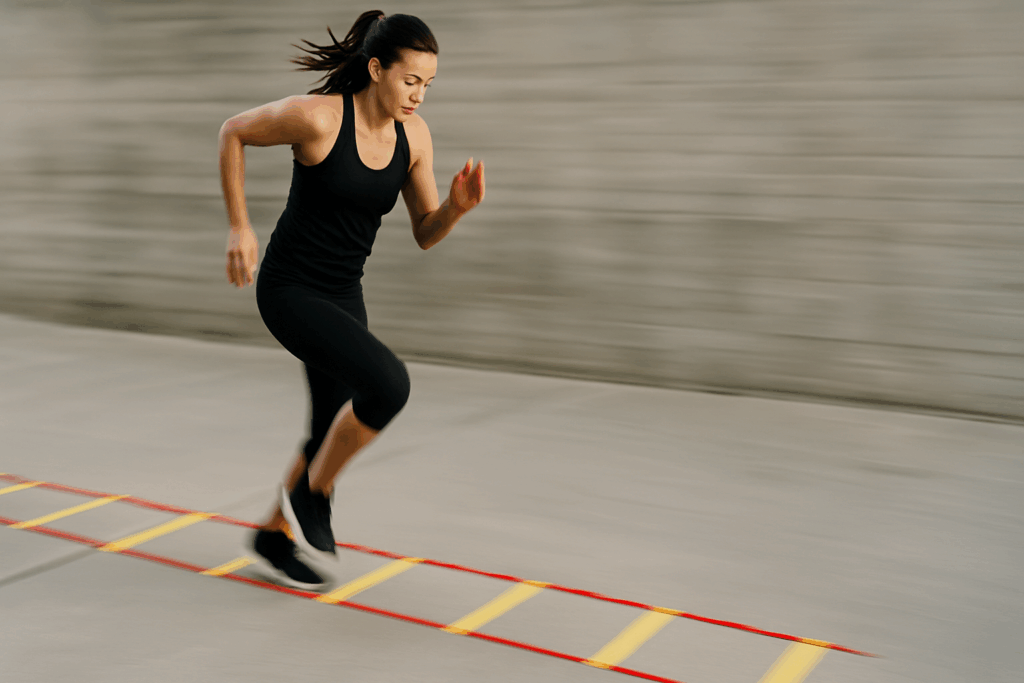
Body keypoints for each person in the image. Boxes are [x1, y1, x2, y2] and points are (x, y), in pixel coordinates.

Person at [217, 10, 484, 588]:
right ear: (376, 68)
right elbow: (233, 131)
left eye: (428, 84)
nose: (419, 95)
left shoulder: (414, 137)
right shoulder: (317, 118)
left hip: (343, 293)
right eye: (410, 80)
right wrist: (240, 226)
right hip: (290, 289)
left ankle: (272, 535)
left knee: (327, 429)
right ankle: (312, 494)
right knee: (389, 385)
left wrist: (455, 209)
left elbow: (425, 231)